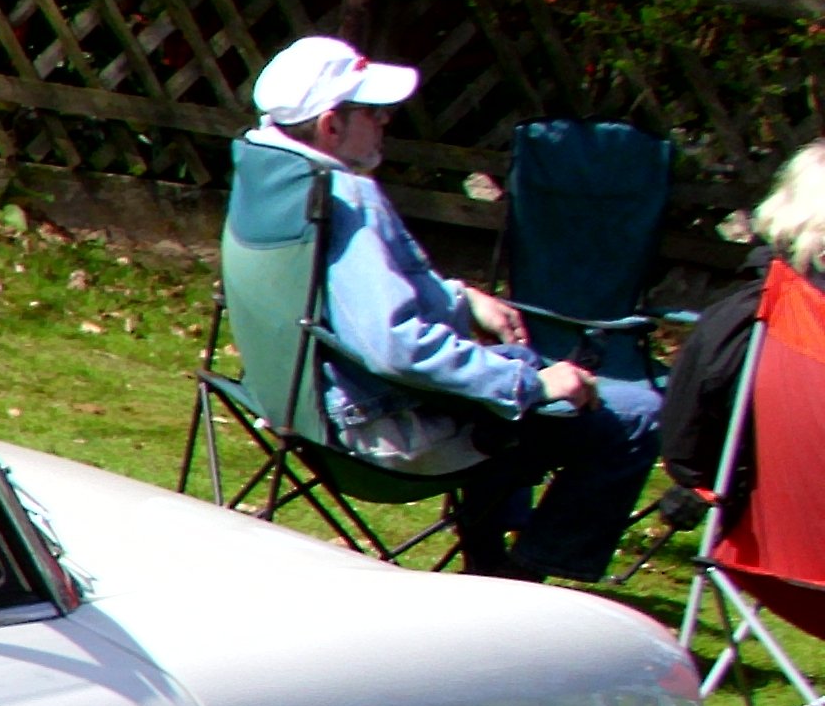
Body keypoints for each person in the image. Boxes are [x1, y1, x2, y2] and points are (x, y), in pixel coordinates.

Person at [246, 35, 662, 579]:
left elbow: (360, 301)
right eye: (374, 112)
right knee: (634, 416)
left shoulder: (271, 179)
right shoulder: (348, 200)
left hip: (302, 404)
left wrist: (462, 299)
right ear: (330, 125)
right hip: (384, 430)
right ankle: (519, 586)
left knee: (503, 378)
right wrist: (531, 387)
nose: (386, 122)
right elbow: (397, 345)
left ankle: (489, 559)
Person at [654, 142, 825, 522]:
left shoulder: (747, 316)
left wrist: (706, 486)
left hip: (771, 546)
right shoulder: (752, 315)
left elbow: (687, 447)